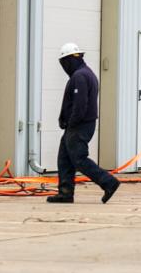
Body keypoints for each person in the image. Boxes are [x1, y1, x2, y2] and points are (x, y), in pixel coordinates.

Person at [47, 42, 120, 204]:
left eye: (64, 62)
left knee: (79, 159)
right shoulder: (86, 74)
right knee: (64, 158)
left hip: (79, 125)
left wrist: (71, 122)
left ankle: (108, 182)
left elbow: (80, 105)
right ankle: (65, 193)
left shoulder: (80, 76)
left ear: (69, 60)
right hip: (78, 125)